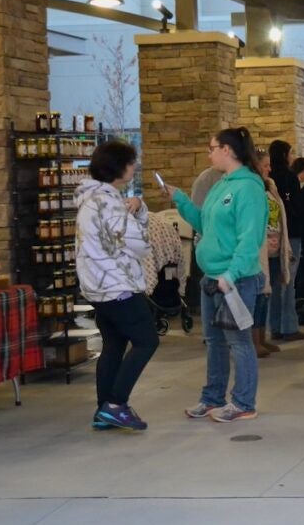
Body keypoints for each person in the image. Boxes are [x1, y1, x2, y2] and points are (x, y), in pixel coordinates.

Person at [167, 127, 268, 423]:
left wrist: (233, 273)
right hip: (211, 277)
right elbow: (204, 223)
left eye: (212, 147)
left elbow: (249, 239)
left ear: (228, 150)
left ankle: (243, 402)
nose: (209, 153)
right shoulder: (220, 184)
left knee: (238, 341)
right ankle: (212, 398)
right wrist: (181, 200)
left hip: (236, 280)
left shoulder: (249, 188)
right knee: (214, 341)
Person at [75, 140, 158, 431]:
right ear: (119, 167)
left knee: (114, 344)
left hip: (97, 285)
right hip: (117, 286)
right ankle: (116, 404)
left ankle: (103, 408)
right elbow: (139, 243)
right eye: (131, 162)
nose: (134, 167)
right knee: (147, 340)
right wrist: (139, 212)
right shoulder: (109, 203)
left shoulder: (90, 199)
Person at [252, 150, 292, 357]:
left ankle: (263, 337)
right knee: (257, 296)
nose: (269, 168)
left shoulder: (271, 186)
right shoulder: (249, 188)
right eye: (265, 165)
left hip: (274, 250)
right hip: (258, 251)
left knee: (267, 295)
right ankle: (254, 340)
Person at [268, 141, 304, 343]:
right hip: (290, 234)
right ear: (284, 154)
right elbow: (297, 205)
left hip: (271, 237)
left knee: (275, 283)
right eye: (291, 152)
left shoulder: (267, 178)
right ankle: (289, 326)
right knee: (288, 281)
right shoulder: (289, 176)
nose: (293, 156)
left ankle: (273, 326)